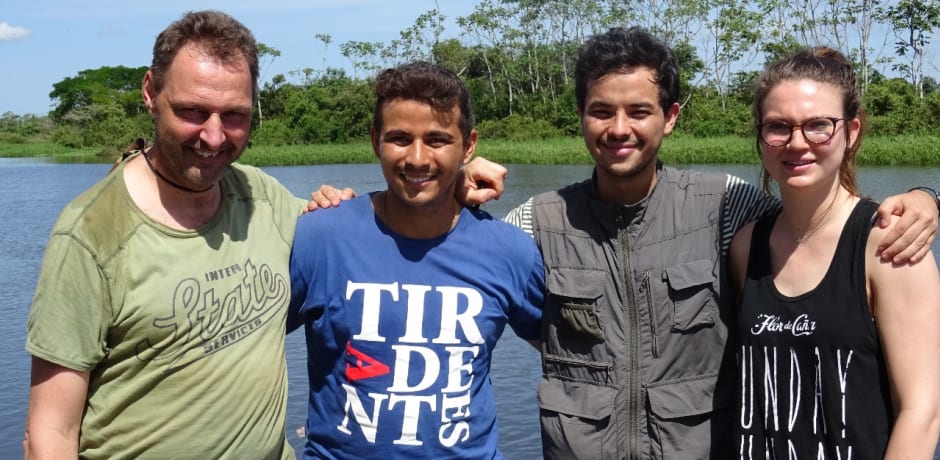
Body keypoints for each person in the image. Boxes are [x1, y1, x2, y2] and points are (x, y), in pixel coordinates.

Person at [306, 27, 939, 459]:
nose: (619, 129)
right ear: (580, 116)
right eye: (600, 110)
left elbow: (820, 217)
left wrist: (924, 199)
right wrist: (379, 198)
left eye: (638, 110)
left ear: (671, 117)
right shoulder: (536, 226)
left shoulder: (729, 208)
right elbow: (462, 254)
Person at [21, 11, 509, 459]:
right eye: (193, 111)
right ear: (150, 92)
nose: (213, 136)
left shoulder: (264, 199)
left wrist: (449, 183)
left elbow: (375, 229)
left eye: (233, 115)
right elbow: (50, 433)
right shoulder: (90, 235)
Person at [287, 61, 544, 459]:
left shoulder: (508, 250)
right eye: (400, 138)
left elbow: (572, 356)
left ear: (469, 145)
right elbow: (247, 346)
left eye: (439, 140)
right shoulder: (321, 237)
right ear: (375, 141)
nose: (418, 158)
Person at [729, 47, 940, 458]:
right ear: (761, 135)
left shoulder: (887, 244)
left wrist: (928, 197)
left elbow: (922, 411)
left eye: (818, 126)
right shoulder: (745, 246)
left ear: (852, 131)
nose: (797, 142)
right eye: (778, 127)